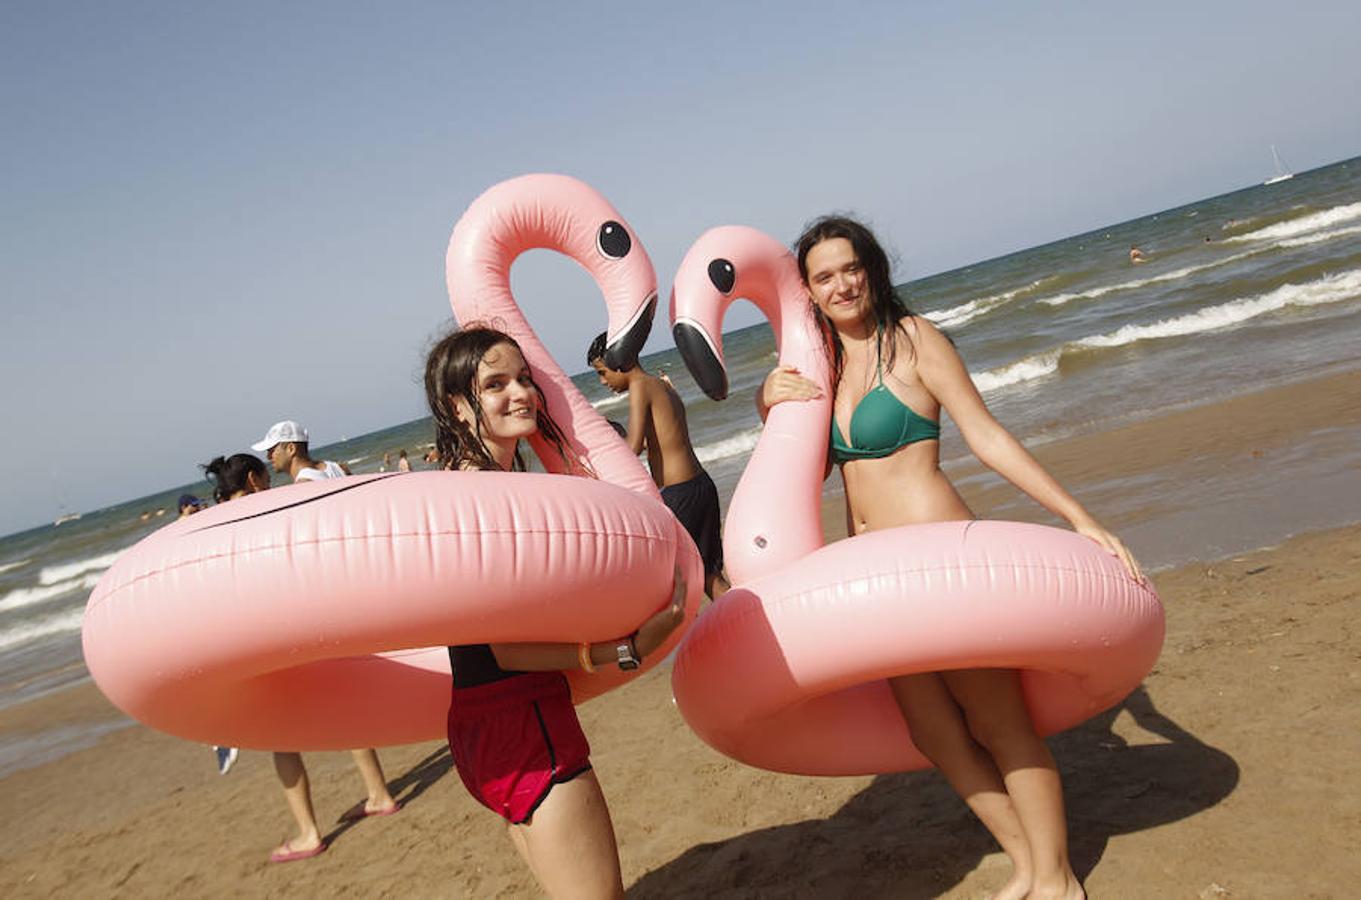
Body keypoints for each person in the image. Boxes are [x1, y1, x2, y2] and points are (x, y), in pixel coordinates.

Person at [759, 216, 1143, 900]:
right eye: (824, 276)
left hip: (941, 562)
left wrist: (1077, 517)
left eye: (851, 268)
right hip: (874, 576)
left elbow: (987, 436)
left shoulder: (913, 342)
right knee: (934, 734)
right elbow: (797, 475)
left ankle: (1057, 880)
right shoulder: (817, 368)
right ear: (808, 294)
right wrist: (772, 407)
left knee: (998, 722)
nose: (842, 284)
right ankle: (1027, 862)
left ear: (871, 269)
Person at [426, 325, 686, 898]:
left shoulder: (467, 482)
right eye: (495, 384)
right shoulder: (486, 496)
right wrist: (629, 649)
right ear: (457, 407)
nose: (520, 393)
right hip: (523, 722)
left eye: (524, 379)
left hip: (479, 725)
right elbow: (503, 647)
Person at [202, 452, 400, 863]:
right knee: (343, 715)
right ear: (256, 480)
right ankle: (379, 795)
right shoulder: (282, 509)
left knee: (280, 738)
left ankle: (309, 833)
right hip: (309, 627)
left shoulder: (225, 526)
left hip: (266, 636)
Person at [588, 333, 730, 600]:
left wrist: (603, 437)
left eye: (602, 372)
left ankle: (693, 635)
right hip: (700, 484)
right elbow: (650, 442)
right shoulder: (661, 385)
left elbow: (632, 448)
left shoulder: (641, 386)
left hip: (680, 493)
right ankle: (747, 626)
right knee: (709, 575)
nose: (603, 381)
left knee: (671, 579)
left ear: (618, 360)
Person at [250, 420, 351, 481]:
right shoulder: (340, 468)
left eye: (271, 450)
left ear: (291, 449)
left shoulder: (303, 485)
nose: (268, 456)